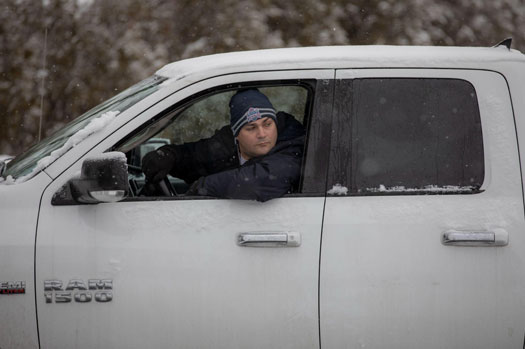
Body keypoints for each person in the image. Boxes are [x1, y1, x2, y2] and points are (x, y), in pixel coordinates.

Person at [141, 89, 305, 202]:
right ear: (237, 135)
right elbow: (197, 156)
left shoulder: (292, 145)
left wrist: (203, 187)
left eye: (267, 124)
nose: (262, 134)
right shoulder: (226, 144)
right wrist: (170, 155)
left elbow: (261, 180)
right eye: (251, 128)